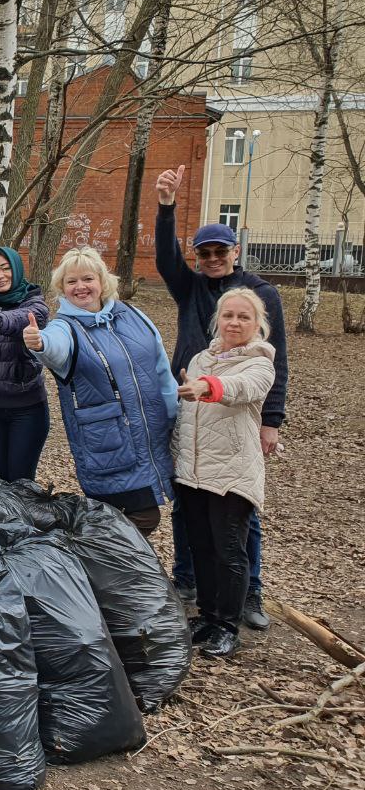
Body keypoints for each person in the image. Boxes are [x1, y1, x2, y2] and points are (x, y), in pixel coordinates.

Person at [155, 164, 287, 629]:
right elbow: (165, 259)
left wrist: (271, 419)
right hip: (188, 412)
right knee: (189, 500)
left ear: (235, 252)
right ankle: (189, 579)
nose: (211, 258)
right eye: (204, 252)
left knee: (235, 511)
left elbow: (273, 364)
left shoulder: (258, 295)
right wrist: (167, 206)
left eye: (219, 251)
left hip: (232, 415)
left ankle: (248, 593)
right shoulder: (191, 288)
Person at [23, 247, 176, 536]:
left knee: (127, 519)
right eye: (71, 282)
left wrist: (175, 415)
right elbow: (56, 347)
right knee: (143, 517)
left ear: (102, 282)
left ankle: (120, 573)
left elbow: (162, 370)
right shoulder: (64, 327)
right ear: (62, 289)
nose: (81, 287)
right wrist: (39, 342)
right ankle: (98, 562)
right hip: (109, 445)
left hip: (152, 436)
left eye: (87, 278)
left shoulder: (132, 315)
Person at [174, 289, 276, 659]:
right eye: (228, 315)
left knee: (228, 551)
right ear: (217, 319)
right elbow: (185, 418)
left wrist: (209, 387)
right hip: (193, 472)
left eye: (243, 317)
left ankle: (228, 626)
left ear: (257, 324)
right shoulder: (201, 358)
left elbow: (241, 389)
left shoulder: (260, 363)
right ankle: (208, 614)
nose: (234, 323)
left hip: (232, 473)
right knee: (199, 546)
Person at [0, 245, 51, 481]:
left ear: (16, 268)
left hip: (27, 411)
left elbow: (22, 319)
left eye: (5, 268)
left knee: (21, 482)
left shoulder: (35, 304)